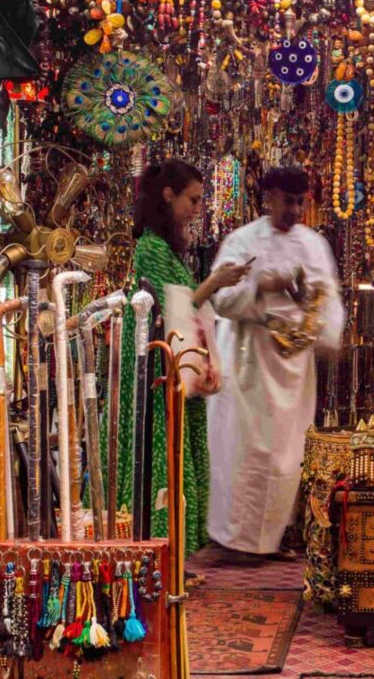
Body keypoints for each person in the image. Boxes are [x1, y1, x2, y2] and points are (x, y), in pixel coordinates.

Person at [206, 166, 344, 559]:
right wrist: (260, 286)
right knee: (244, 449)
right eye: (288, 200)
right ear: (271, 198)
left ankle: (270, 539)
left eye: (301, 202)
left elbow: (327, 298)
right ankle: (233, 541)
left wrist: (328, 332)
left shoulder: (314, 245)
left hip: (293, 365)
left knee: (287, 454)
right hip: (248, 361)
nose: (296, 210)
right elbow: (220, 298)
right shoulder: (242, 240)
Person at [131, 159, 251, 557]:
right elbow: (172, 305)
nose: (198, 208)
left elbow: (184, 304)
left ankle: (175, 557)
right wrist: (214, 282)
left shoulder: (164, 246)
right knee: (162, 458)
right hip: (158, 368)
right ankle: (160, 555)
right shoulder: (150, 246)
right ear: (169, 196)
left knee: (182, 454)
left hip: (176, 365)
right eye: (193, 199)